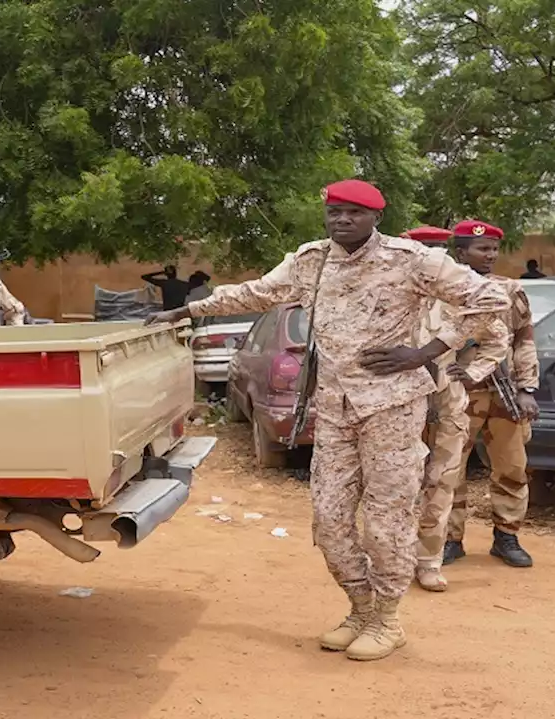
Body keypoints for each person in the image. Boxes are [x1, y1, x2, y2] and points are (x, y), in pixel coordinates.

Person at [147, 180, 509, 661]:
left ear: (376, 217)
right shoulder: (310, 261)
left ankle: (387, 619)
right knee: (330, 520)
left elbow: (489, 300)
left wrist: (425, 350)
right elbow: (258, 292)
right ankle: (359, 608)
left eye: (354, 213)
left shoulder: (411, 259)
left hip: (393, 408)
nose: (342, 220)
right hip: (335, 409)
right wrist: (189, 308)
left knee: (387, 522)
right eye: (335, 212)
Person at [405, 225, 510, 592]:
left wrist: (470, 373)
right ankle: (393, 558)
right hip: (399, 402)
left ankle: (429, 561)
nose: (432, 256)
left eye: (438, 249)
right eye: (424, 249)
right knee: (397, 483)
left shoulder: (461, 293)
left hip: (448, 399)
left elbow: (497, 342)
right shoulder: (392, 293)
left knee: (443, 479)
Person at [441, 221, 540, 569]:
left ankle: (507, 536)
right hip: (457, 393)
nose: (491, 255)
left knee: (512, 467)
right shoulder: (443, 289)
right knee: (449, 469)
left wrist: (527, 389)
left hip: (503, 393)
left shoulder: (510, 290)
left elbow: (524, 340)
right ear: (460, 252)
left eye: (494, 249)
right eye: (482, 249)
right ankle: (449, 539)